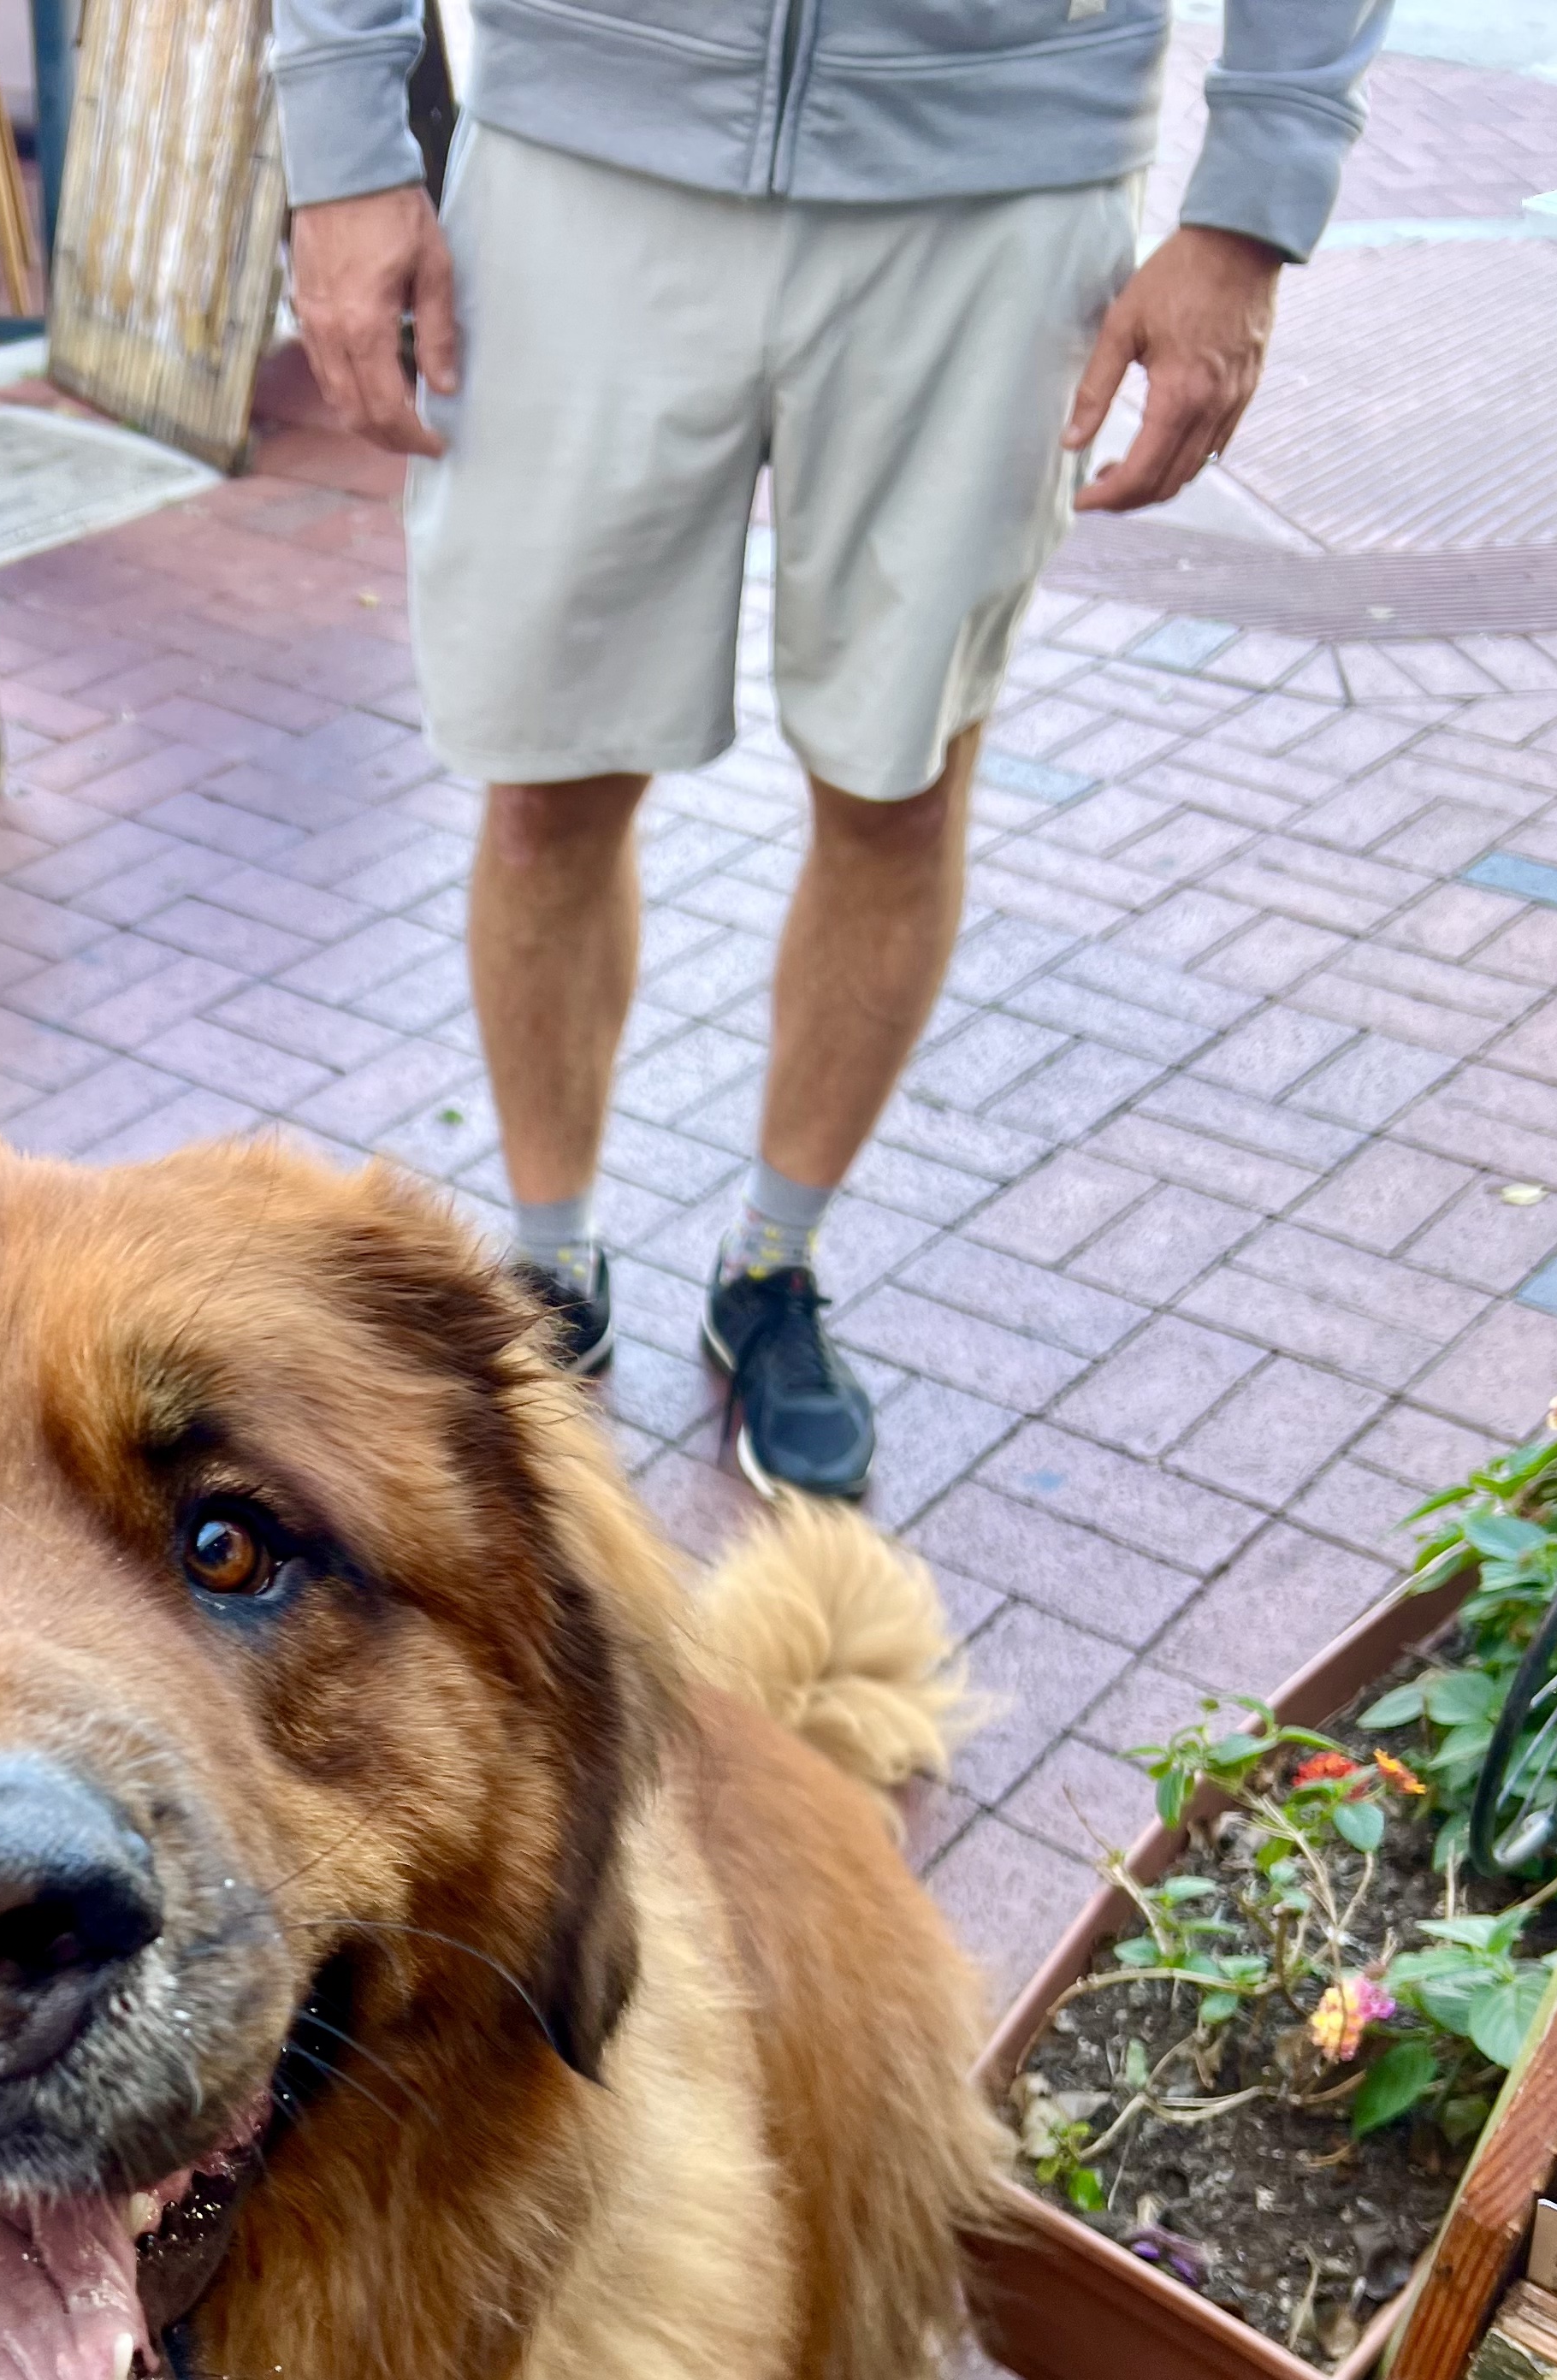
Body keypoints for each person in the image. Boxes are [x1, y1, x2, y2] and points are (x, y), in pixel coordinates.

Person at [274, 0, 1389, 1496]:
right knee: (544, 784)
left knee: (900, 791)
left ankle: (775, 1271)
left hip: (996, 173)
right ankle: (550, 1279)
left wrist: (1252, 204)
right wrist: (344, 140)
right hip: (581, 143)